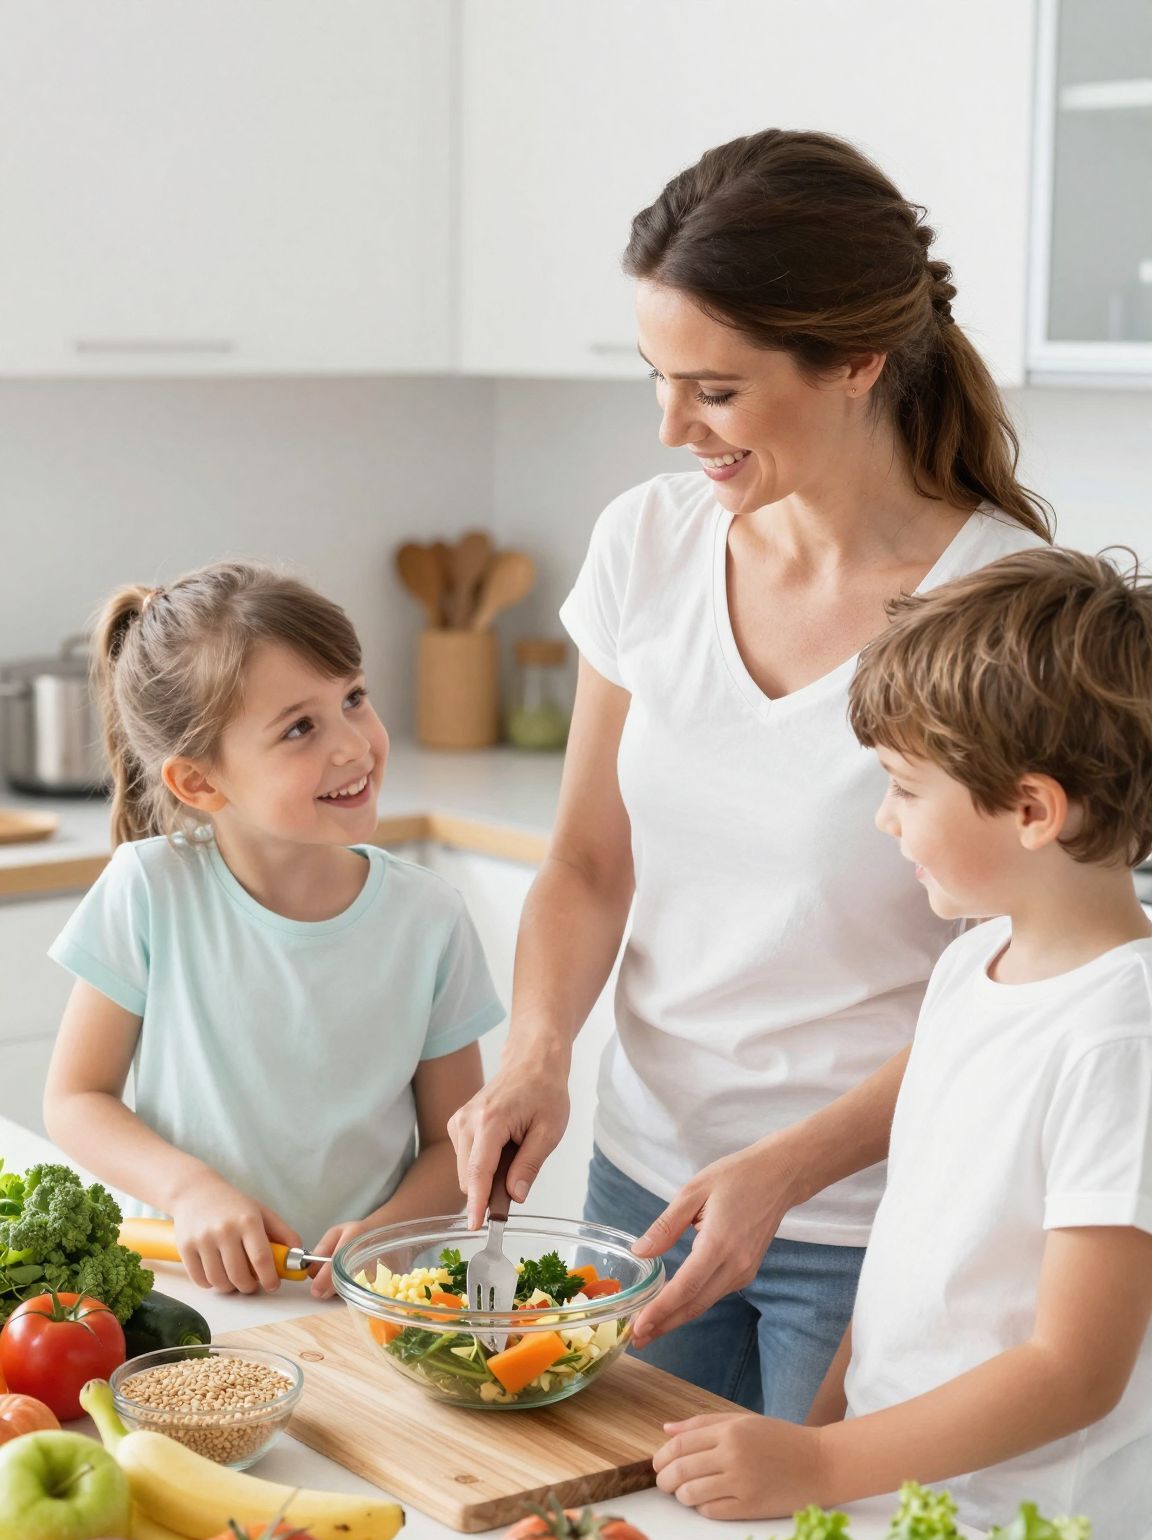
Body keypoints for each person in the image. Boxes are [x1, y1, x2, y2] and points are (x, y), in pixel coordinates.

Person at [448, 127, 1051, 1420]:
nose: (673, 428)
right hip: (643, 1193)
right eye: (658, 380)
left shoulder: (997, 611)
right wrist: (537, 1054)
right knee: (626, 1535)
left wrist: (788, 1168)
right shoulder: (648, 544)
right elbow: (587, 862)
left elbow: (1013, 991)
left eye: (714, 391)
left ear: (856, 362)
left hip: (871, 1224)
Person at [654, 547, 1152, 1540]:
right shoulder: (977, 961)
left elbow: (1076, 1369)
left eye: (906, 787)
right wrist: (824, 1427)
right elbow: (914, 1245)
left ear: (1032, 810)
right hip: (898, 1510)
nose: (886, 819)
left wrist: (822, 1463)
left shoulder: (1120, 1037)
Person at [43, 564, 503, 1297]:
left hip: (359, 1307)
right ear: (199, 782)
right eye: (299, 728)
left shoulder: (428, 917)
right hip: (189, 1299)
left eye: (353, 698)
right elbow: (76, 1100)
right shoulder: (150, 890)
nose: (353, 745)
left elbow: (457, 1145)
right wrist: (191, 1190)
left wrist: (389, 1232)